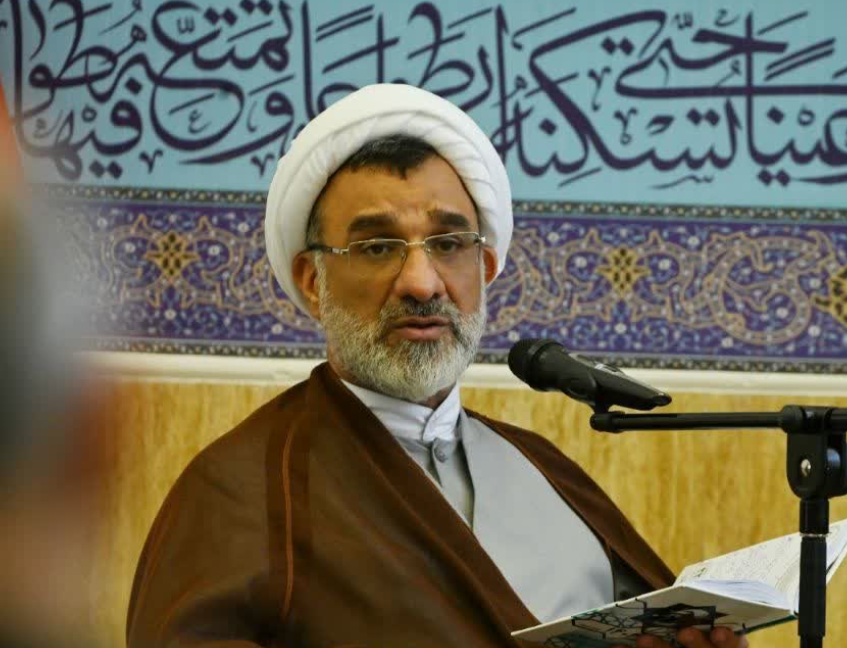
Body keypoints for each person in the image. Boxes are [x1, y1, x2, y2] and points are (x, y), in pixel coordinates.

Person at [126, 84, 747, 648]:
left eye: (449, 244)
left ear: (486, 268)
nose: (421, 283)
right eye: (377, 247)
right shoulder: (240, 490)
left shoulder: (544, 468)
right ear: (314, 280)